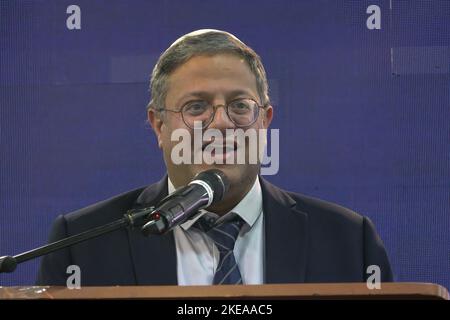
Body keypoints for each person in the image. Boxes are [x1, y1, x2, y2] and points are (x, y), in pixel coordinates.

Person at [37, 29, 393, 286]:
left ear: (265, 121)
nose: (221, 122)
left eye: (240, 105)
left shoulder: (349, 241)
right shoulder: (83, 245)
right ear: (158, 125)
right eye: (196, 107)